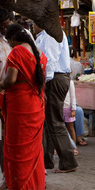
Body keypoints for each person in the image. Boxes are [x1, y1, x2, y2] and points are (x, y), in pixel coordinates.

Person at [0, 24, 47, 190]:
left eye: (9, 41)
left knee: (17, 152)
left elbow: (10, 80)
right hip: (36, 104)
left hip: (20, 107)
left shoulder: (17, 52)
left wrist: (1, 86)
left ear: (13, 39)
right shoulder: (39, 53)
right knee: (33, 150)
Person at [34, 24, 78, 174]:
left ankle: (68, 161)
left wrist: (44, 84)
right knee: (48, 122)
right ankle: (47, 161)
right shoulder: (43, 36)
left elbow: (50, 61)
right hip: (55, 79)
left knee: (54, 122)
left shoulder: (50, 34)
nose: (32, 26)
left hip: (55, 79)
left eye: (34, 23)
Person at [0, 8, 14, 190]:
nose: (4, 31)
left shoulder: (24, 39)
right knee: (1, 137)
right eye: (0, 28)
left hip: (20, 97)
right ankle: (6, 177)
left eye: (6, 26)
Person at [63, 80, 77, 154]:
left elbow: (73, 96)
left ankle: (74, 147)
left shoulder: (70, 81)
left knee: (70, 127)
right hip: (59, 107)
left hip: (67, 107)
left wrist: (73, 109)